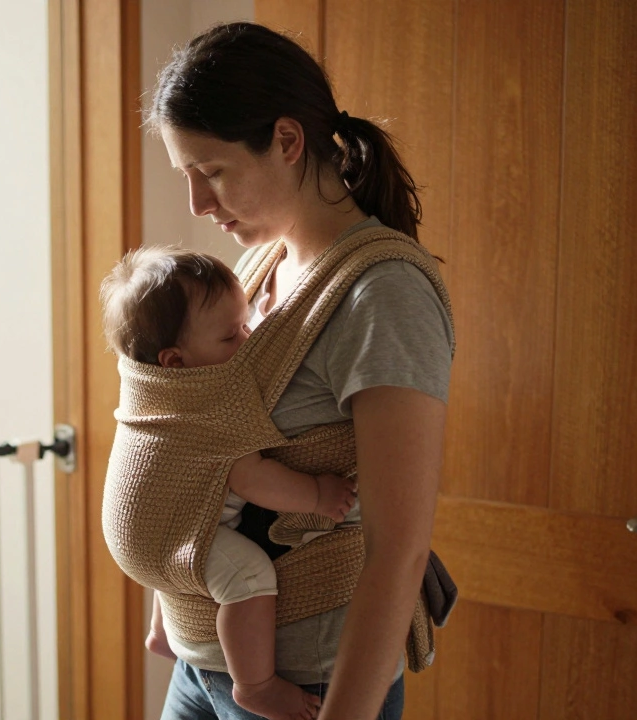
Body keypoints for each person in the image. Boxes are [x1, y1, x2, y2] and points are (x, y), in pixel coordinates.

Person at [145, 21, 454, 720]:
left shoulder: (384, 295)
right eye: (186, 177)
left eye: (212, 172)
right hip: (202, 663)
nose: (197, 204)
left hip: (305, 684)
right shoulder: (260, 267)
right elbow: (194, 441)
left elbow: (398, 554)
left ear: (287, 140)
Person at [100, 246, 361, 720]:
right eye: (231, 335)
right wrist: (319, 495)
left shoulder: (158, 388)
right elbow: (254, 477)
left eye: (245, 324)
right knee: (249, 578)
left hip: (141, 532)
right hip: (161, 537)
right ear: (174, 362)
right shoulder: (208, 404)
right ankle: (255, 685)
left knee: (178, 544)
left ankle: (161, 634)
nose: (248, 339)